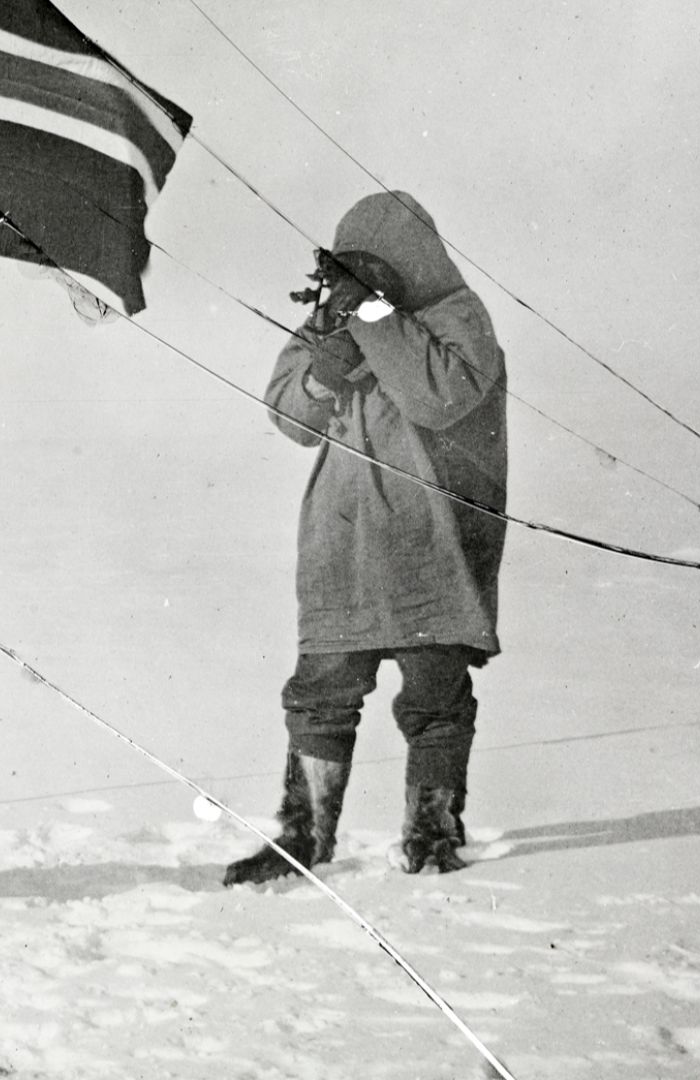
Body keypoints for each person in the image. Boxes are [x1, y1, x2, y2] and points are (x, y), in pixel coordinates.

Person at [223, 191, 508, 886]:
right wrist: (324, 368)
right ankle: (304, 836)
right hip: (343, 537)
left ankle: (433, 833)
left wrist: (371, 321)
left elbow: (439, 394)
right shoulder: (335, 320)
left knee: (436, 694)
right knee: (321, 692)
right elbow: (288, 417)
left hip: (431, 536)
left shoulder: (456, 318)